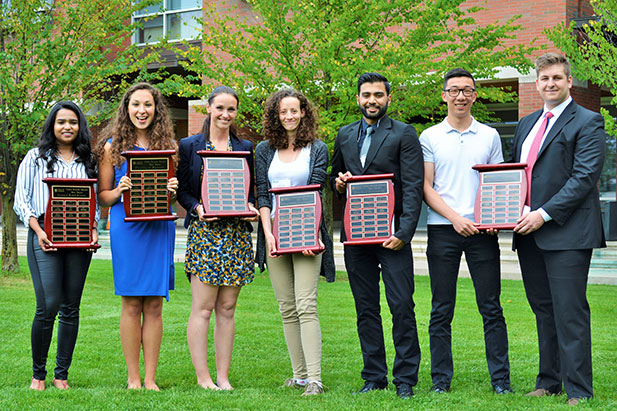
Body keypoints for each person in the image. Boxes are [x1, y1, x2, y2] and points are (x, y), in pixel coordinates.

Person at [511, 53, 606, 406]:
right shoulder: (527, 123)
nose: (550, 84)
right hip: (528, 233)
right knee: (544, 309)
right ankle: (549, 380)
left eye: (557, 78)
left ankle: (578, 388)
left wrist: (543, 214)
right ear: (536, 84)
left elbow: (583, 179)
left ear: (568, 81)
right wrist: (511, 212)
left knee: (569, 311)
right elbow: (517, 176)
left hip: (566, 232)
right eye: (544, 78)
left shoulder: (588, 121)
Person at [330, 73, 424, 399]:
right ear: (357, 98)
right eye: (366, 94)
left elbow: (413, 186)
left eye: (379, 95)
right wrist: (339, 183)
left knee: (401, 306)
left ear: (388, 98)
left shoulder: (404, 133)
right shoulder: (344, 135)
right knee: (366, 308)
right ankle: (374, 376)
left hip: (392, 236)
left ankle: (405, 380)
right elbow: (334, 178)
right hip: (357, 237)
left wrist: (405, 232)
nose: (372, 100)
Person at [420, 68, 511, 395]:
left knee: (491, 307)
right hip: (443, 229)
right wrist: (455, 218)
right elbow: (426, 187)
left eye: (467, 90)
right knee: (441, 308)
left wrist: (493, 218)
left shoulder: (489, 136)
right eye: (454, 90)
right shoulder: (429, 137)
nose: (461, 96)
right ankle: (440, 382)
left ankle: (501, 381)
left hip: (482, 232)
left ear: (475, 95)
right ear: (444, 95)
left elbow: (497, 184)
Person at [96, 83, 178, 391]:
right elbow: (103, 198)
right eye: (135, 105)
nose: (141, 110)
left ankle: (151, 378)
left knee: (154, 304)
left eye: (148, 104)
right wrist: (119, 190)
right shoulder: (112, 147)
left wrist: (170, 193)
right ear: (126, 109)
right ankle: (133, 378)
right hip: (126, 228)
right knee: (131, 303)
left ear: (157, 109)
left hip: (158, 229)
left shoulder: (168, 146)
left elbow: (169, 196)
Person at [177, 86, 259, 391]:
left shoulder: (245, 147)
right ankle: (203, 378)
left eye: (231, 110)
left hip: (236, 234)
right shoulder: (189, 145)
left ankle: (223, 377)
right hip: (205, 232)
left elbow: (250, 190)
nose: (226, 115)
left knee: (227, 309)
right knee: (203, 307)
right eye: (220, 108)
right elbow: (184, 190)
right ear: (209, 108)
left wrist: (250, 207)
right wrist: (197, 208)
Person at [14, 101, 99, 390]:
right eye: (61, 121)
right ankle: (38, 374)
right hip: (44, 235)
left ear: (80, 126)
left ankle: (61, 375)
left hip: (78, 240)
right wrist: (38, 230)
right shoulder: (34, 158)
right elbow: (21, 200)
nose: (67, 127)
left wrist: (94, 231)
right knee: (48, 305)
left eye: (73, 122)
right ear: (52, 125)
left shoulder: (88, 161)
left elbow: (94, 202)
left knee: (70, 308)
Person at [254, 89, 335, 396]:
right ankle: (299, 375)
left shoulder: (317, 148)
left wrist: (308, 233)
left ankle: (315, 378)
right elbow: (262, 193)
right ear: (276, 115)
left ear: (304, 113)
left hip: (306, 235)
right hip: (274, 234)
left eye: (294, 110)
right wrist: (268, 234)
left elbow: (315, 191)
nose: (288, 116)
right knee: (287, 307)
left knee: (306, 305)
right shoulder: (264, 149)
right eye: (282, 112)